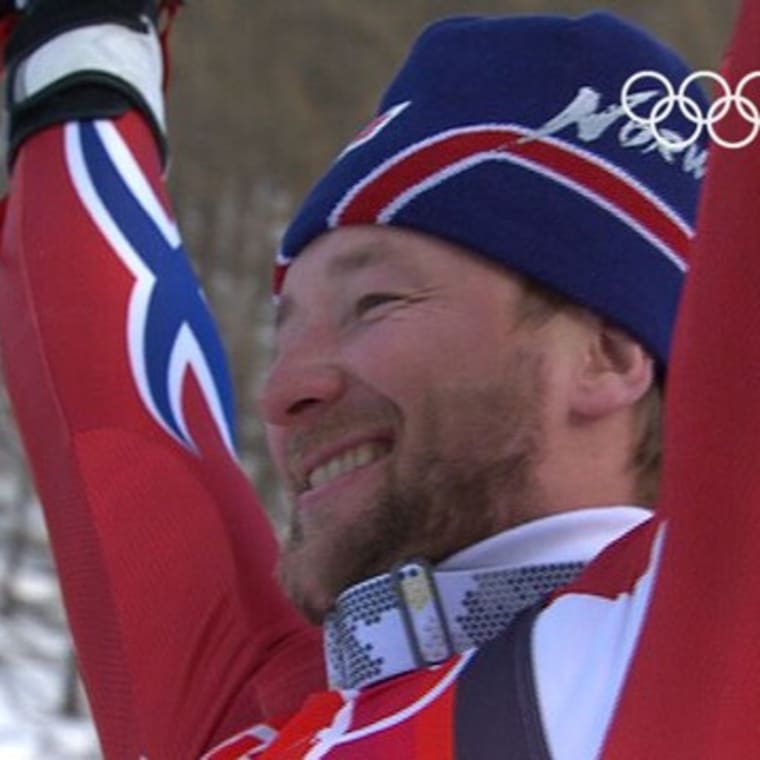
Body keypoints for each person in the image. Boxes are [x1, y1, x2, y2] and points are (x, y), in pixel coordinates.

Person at [1, 0, 757, 757]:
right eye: (284, 326)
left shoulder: (686, 647)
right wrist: (76, 41)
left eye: (377, 304)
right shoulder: (259, 716)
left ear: (609, 355)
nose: (280, 393)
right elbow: (100, 378)